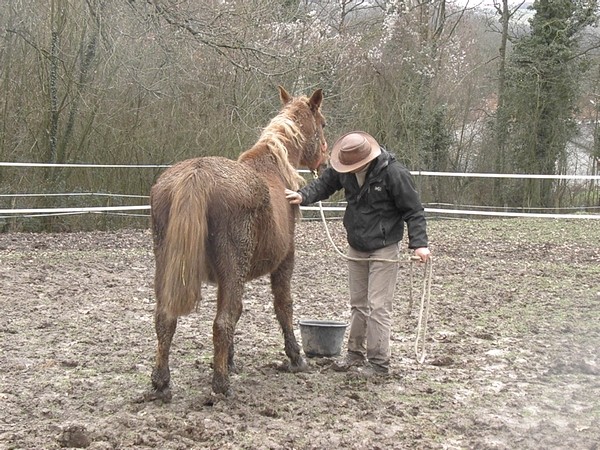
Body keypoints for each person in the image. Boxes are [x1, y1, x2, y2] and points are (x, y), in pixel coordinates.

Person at [285, 131, 430, 377]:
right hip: (357, 244)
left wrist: (419, 244)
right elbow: (324, 184)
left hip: (384, 247)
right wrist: (302, 196)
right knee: (358, 305)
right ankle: (354, 353)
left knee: (378, 306)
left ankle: (379, 364)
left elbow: (413, 211)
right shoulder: (344, 171)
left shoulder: (394, 174)